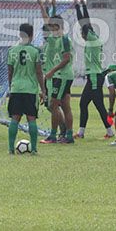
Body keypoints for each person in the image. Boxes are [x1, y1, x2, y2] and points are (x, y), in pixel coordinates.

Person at [73, 0, 114, 140]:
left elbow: (83, 22)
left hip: (95, 77)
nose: (82, 35)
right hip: (95, 76)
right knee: (90, 104)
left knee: (88, 104)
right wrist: (83, 5)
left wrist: (77, 7)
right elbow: (87, 23)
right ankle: (105, 132)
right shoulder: (95, 38)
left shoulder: (91, 38)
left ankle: (85, 133)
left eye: (82, 33)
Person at [7, 23, 47, 155]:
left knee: (15, 118)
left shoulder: (12, 50)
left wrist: (11, 86)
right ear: (31, 35)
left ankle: (11, 149)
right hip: (30, 89)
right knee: (31, 119)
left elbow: (10, 72)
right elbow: (39, 72)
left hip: (16, 88)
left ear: (20, 34)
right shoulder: (35, 51)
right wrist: (43, 90)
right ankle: (34, 149)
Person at [36, 0, 67, 143]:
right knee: (53, 105)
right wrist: (51, 6)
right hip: (51, 76)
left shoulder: (54, 39)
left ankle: (58, 133)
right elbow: (50, 21)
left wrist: (43, 6)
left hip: (53, 75)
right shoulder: (51, 41)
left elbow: (48, 21)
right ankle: (64, 130)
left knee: (53, 105)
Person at [43, 13, 75, 144]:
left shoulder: (65, 39)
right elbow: (46, 21)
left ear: (59, 26)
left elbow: (66, 59)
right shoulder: (53, 38)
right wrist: (42, 5)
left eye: (53, 26)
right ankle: (69, 135)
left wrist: (52, 71)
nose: (50, 28)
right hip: (60, 76)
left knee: (53, 105)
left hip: (62, 76)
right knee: (65, 106)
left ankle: (53, 136)